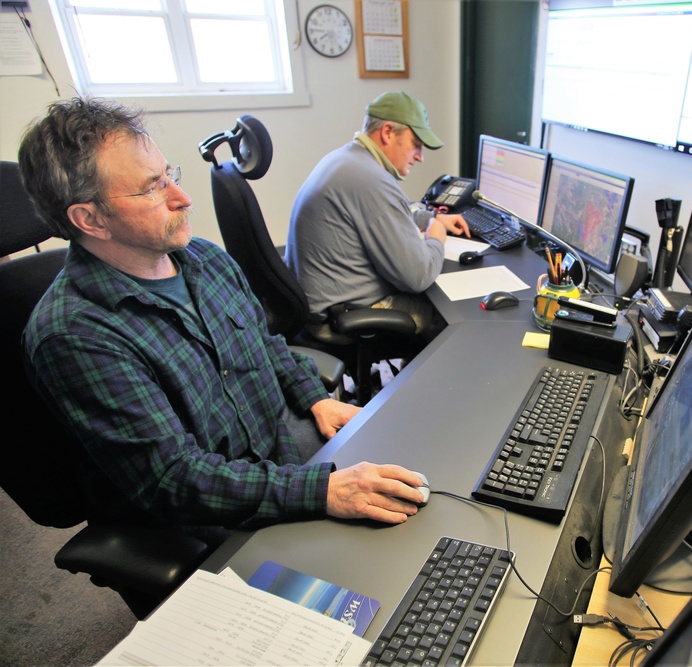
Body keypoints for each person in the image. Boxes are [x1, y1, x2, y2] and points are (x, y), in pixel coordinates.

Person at [18, 97, 427, 533]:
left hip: (281, 444)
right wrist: (323, 491)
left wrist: (316, 397)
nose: (181, 197)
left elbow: (266, 343)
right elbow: (173, 479)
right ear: (90, 219)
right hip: (213, 509)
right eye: (152, 187)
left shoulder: (204, 260)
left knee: (424, 483)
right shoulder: (77, 336)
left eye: (168, 175)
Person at [285, 91, 469, 344]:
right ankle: (416, 384)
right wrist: (436, 236)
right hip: (343, 315)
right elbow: (419, 276)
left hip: (319, 302)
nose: (420, 156)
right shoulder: (372, 180)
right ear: (388, 133)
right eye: (416, 145)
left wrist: (429, 218)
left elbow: (385, 216)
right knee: (453, 318)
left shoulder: (347, 160)